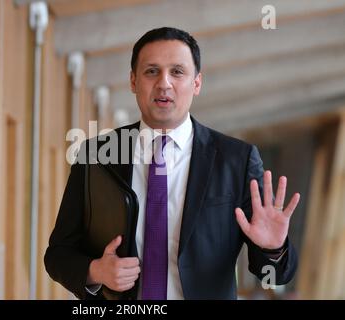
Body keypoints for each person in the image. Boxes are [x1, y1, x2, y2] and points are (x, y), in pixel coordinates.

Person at [45, 27, 300, 300]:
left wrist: (274, 249)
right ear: (133, 81)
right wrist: (96, 271)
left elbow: (274, 275)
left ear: (197, 83)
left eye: (177, 72)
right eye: (151, 71)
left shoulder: (236, 160)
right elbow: (58, 254)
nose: (164, 83)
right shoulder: (96, 155)